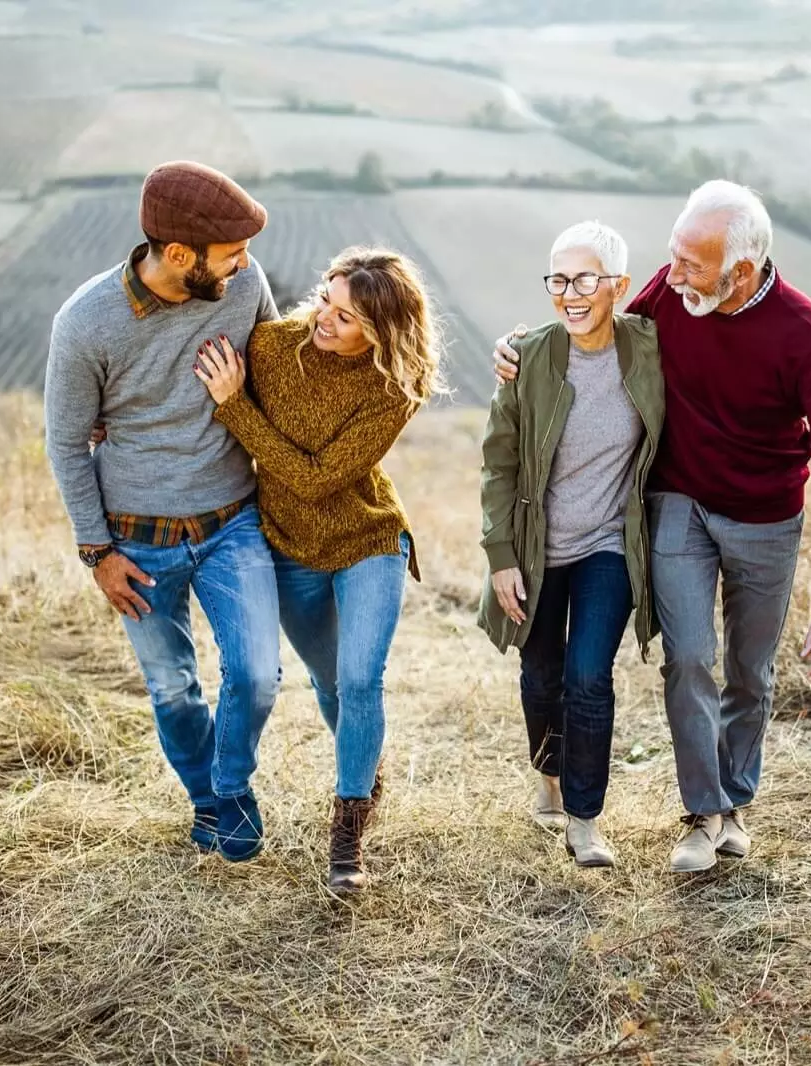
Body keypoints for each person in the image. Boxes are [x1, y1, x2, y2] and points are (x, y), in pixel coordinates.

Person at [494, 180, 811, 874]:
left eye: (690, 265)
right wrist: (524, 348)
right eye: (672, 256)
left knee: (750, 671)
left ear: (741, 272)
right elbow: (598, 329)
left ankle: (735, 805)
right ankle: (703, 815)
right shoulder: (671, 294)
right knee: (691, 657)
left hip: (766, 519)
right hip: (678, 502)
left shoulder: (806, 336)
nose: (671, 276)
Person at [45, 161, 282, 864]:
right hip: (136, 544)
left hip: (232, 522)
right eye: (230, 253)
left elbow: (282, 375)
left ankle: (230, 789)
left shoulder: (246, 287)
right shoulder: (86, 322)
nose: (245, 265)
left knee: (258, 675)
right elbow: (65, 443)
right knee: (174, 689)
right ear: (180, 255)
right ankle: (210, 805)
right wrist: (97, 552)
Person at [194, 247, 443, 894]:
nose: (323, 321)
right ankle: (366, 766)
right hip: (288, 547)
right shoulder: (273, 348)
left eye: (346, 317)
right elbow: (188, 382)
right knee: (330, 683)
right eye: (326, 302)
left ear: (381, 332)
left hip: (368, 538)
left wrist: (236, 408)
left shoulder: (394, 387)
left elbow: (315, 479)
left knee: (360, 680)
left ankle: (347, 834)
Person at [477, 221, 663, 869]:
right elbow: (498, 463)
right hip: (537, 548)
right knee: (540, 676)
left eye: (585, 279)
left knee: (588, 676)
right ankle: (549, 779)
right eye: (558, 279)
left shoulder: (650, 349)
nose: (569, 293)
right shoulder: (528, 356)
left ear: (618, 285)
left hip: (609, 544)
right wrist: (501, 556)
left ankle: (585, 820)